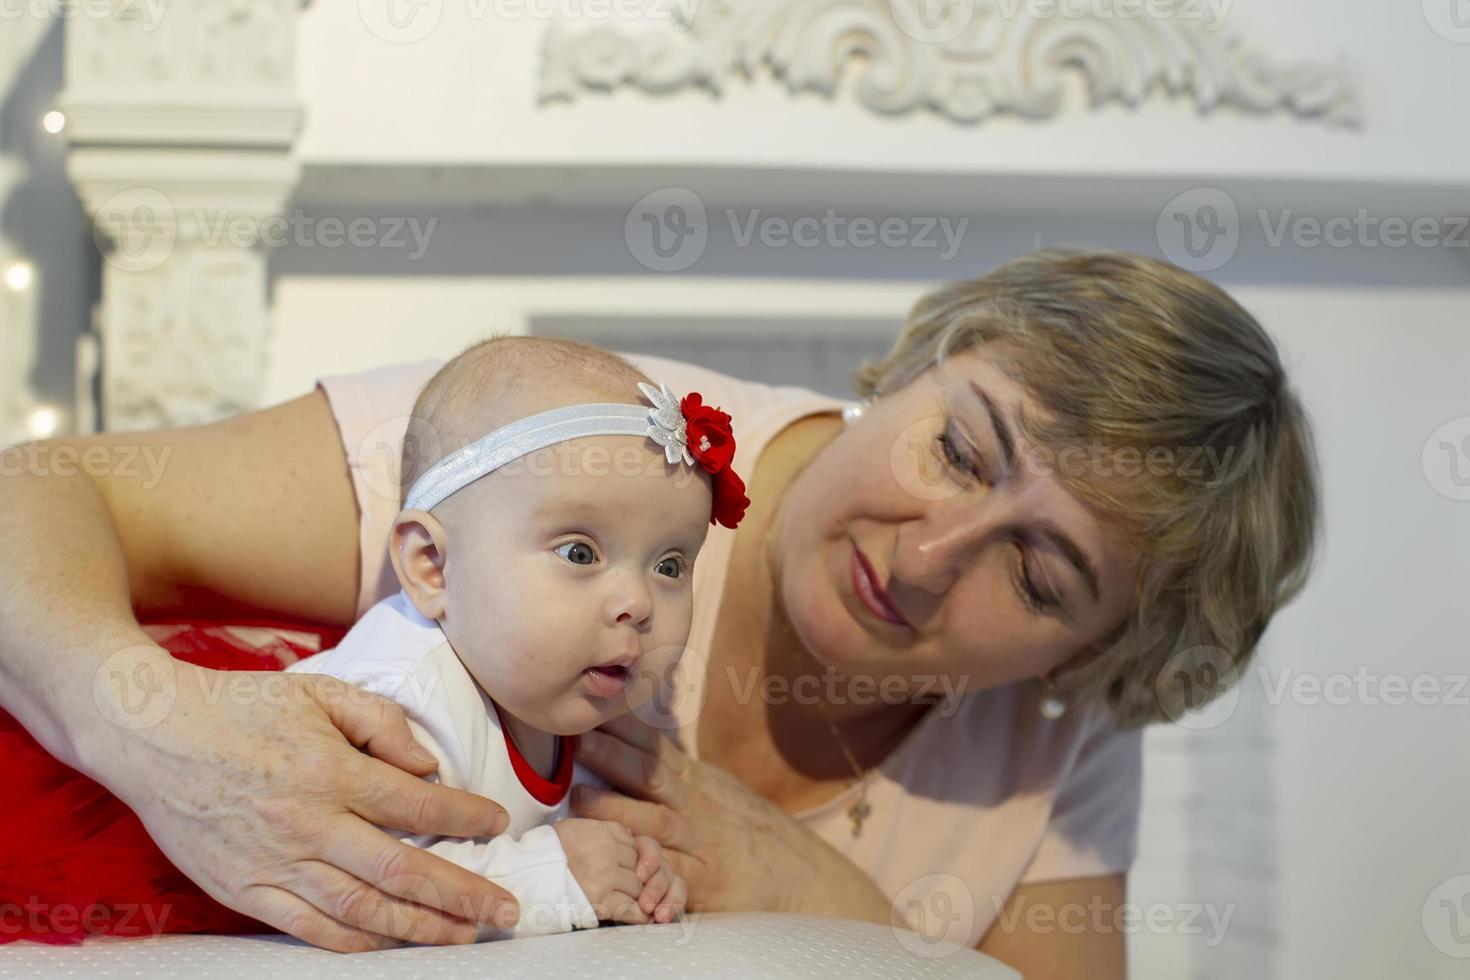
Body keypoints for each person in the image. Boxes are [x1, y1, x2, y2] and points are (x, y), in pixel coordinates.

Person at [0, 249, 1318, 976]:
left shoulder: (1059, 730)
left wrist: (811, 891)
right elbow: (39, 494)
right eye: (960, 452)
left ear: (1097, 654)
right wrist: (156, 731)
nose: (929, 556)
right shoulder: (567, 444)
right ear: (921, 360)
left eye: (1039, 579)